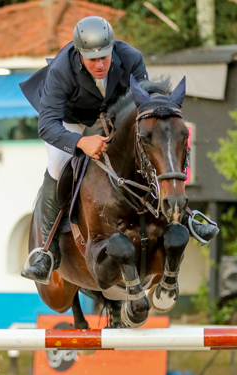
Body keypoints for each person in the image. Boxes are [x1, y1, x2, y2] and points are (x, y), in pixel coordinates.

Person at [20, 16, 218, 282]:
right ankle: (47, 250)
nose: (100, 65)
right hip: (70, 121)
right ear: (79, 55)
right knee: (58, 165)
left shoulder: (131, 57)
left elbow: (147, 103)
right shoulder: (61, 70)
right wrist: (81, 141)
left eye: (105, 56)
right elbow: (46, 125)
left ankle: (185, 217)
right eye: (93, 60)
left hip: (113, 118)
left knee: (149, 154)